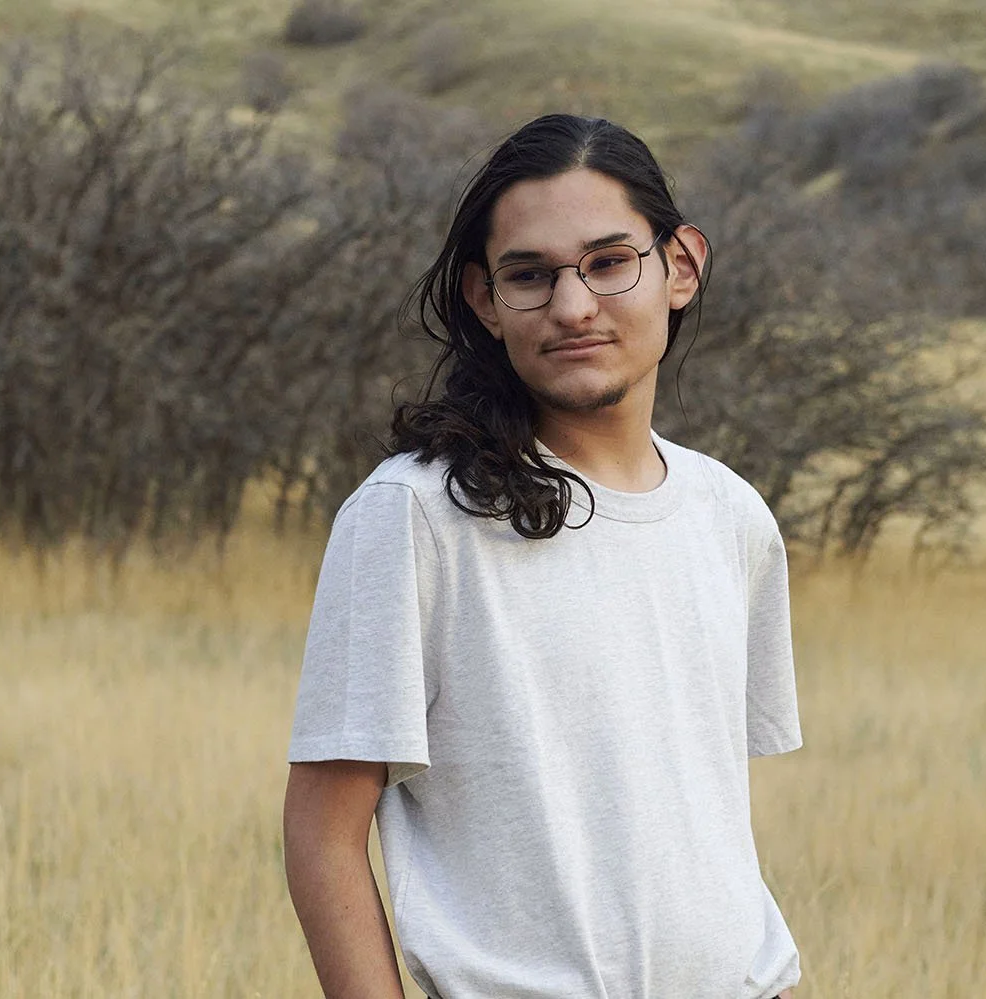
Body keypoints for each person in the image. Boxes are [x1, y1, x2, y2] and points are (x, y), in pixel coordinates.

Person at [283, 113, 802, 999]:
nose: (572, 306)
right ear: (486, 301)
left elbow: (702, 828)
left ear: (679, 266)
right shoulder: (412, 514)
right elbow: (324, 834)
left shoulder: (732, 514)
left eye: (608, 262)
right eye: (530, 275)